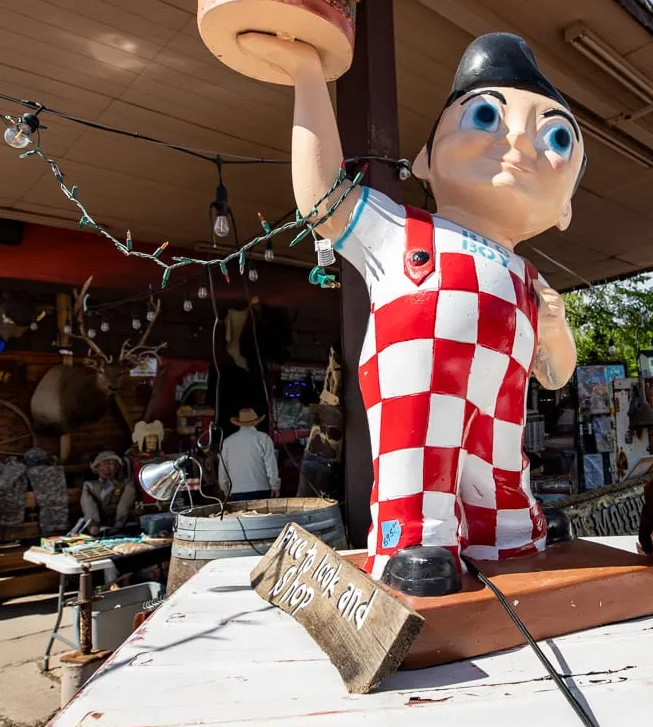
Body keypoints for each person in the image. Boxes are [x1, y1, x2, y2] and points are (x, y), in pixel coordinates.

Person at [238, 30, 582, 595]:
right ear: (424, 161)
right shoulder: (399, 229)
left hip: (500, 398)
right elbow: (322, 196)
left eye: (556, 138)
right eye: (488, 117)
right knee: (420, 449)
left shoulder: (530, 280)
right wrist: (308, 76)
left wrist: (554, 326)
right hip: (419, 388)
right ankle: (413, 537)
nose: (519, 141)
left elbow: (554, 373)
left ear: (564, 208)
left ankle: (512, 530)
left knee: (500, 463)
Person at [218, 408, 280, 500]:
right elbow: (271, 465)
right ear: (256, 422)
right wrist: (275, 486)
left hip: (236, 491)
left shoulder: (228, 442)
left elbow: (223, 469)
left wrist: (225, 489)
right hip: (261, 489)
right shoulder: (263, 438)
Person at [80, 451, 136, 532]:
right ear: (96, 468)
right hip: (100, 526)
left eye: (111, 463)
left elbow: (124, 506)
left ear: (117, 466)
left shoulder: (126, 484)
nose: (106, 468)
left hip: (122, 525)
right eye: (101, 464)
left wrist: (118, 525)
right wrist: (93, 526)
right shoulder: (90, 487)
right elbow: (89, 507)